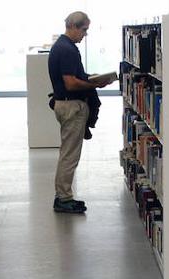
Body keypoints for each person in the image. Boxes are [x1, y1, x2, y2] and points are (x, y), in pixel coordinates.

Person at [47, 11, 116, 214]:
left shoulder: (62, 46)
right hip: (71, 107)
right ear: (74, 27)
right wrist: (93, 84)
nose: (85, 34)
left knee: (68, 153)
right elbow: (70, 83)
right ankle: (64, 198)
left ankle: (63, 195)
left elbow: (73, 76)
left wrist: (92, 78)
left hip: (65, 105)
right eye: (84, 29)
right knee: (70, 155)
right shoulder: (67, 49)